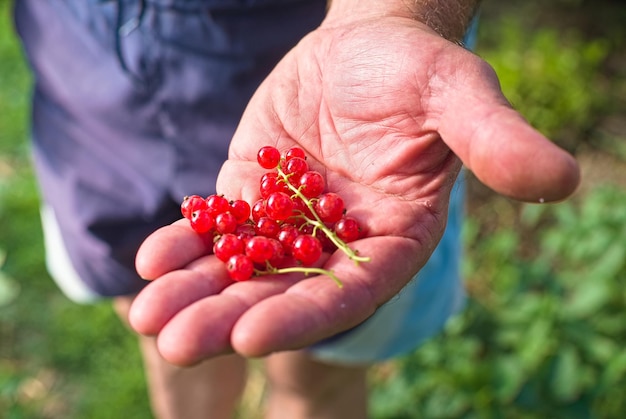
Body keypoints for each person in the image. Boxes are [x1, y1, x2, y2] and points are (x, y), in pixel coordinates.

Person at [14, 0, 580, 418]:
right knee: (162, 308)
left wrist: (391, 15)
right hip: (82, 55)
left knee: (316, 363)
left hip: (306, 50)